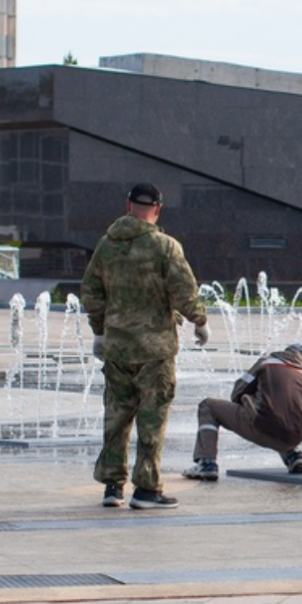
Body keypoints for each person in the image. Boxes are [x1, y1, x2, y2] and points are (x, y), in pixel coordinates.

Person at [81, 182, 209, 510]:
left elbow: (91, 292)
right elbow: (184, 290)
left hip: (117, 347)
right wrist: (199, 320)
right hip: (155, 349)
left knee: (116, 414)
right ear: (158, 208)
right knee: (152, 417)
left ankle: (113, 485)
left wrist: (99, 331)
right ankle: (147, 489)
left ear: (127, 206)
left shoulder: (106, 246)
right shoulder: (165, 246)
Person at [183, 342, 302, 481]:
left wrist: (248, 404)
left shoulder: (266, 363)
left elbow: (237, 392)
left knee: (208, 406)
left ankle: (207, 463)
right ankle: (293, 455)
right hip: (292, 437)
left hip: (262, 426)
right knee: (284, 415)